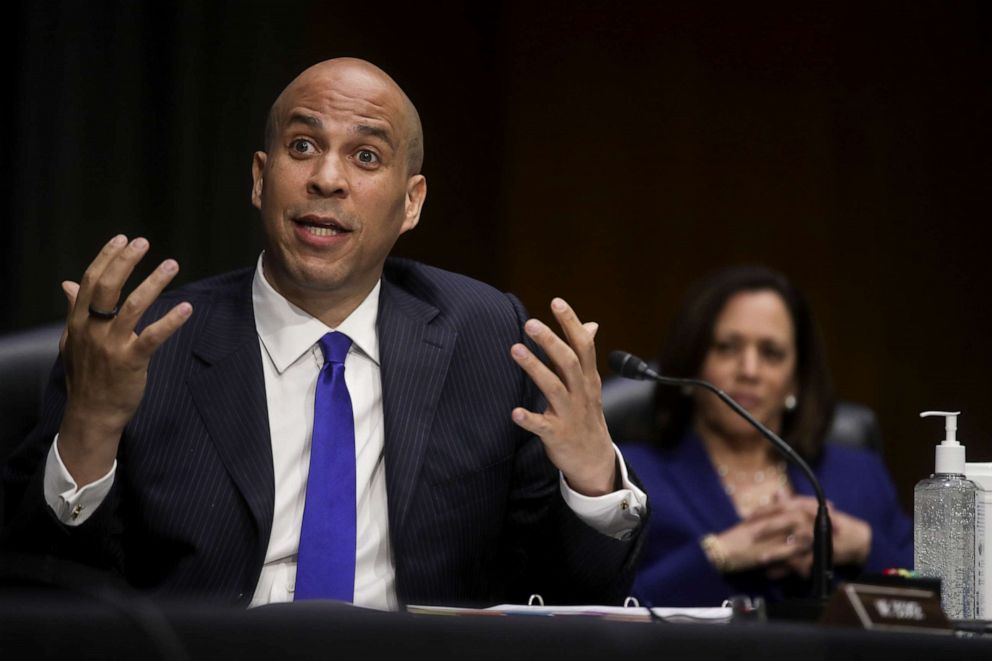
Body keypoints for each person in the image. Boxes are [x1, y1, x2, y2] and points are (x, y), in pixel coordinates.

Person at [1, 58, 646, 609]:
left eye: (366, 156)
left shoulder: (487, 336)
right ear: (260, 178)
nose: (327, 179)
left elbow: (568, 599)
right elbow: (49, 598)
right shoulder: (142, 349)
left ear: (412, 201)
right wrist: (89, 428)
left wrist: (592, 479)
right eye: (303, 146)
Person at [619, 266, 911, 606]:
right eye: (727, 347)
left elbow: (948, 598)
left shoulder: (860, 477)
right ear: (691, 363)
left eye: (771, 353)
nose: (749, 370)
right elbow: (602, 609)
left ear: (796, 380)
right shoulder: (631, 477)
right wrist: (719, 554)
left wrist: (863, 546)